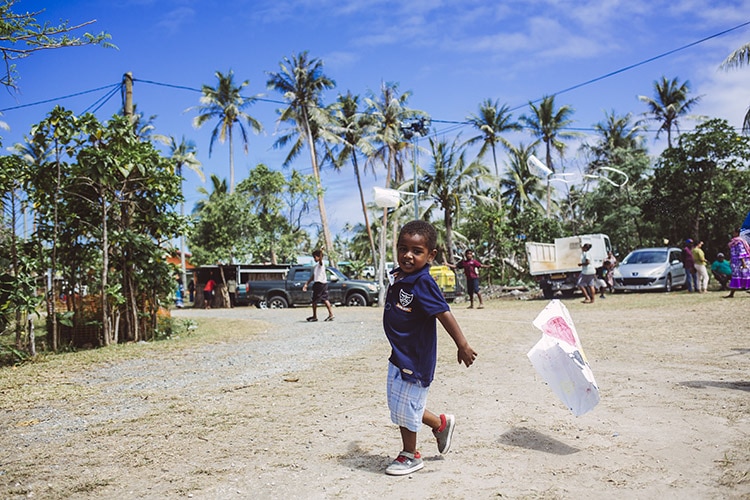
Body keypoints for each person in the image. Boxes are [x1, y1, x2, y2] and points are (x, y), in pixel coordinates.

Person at [383, 220, 477, 476]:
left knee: (405, 406)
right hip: (399, 355)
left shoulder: (423, 282)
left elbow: (443, 313)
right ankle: (440, 424)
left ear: (431, 255)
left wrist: (463, 345)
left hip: (415, 358)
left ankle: (410, 455)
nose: (408, 256)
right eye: (403, 249)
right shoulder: (402, 276)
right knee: (400, 404)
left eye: (416, 251)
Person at [302, 248, 335, 321]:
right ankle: (330, 314)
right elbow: (313, 276)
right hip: (319, 284)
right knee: (324, 299)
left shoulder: (321, 264)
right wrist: (307, 283)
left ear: (319, 257)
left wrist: (321, 251)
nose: (314, 259)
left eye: (315, 257)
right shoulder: (317, 267)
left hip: (320, 284)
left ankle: (315, 316)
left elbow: (320, 259)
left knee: (315, 300)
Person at [724, 228, 750, 298]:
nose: (733, 234)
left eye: (734, 232)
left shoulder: (739, 241)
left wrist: (743, 263)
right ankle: (731, 294)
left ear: (737, 233)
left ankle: (731, 294)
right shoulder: (734, 242)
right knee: (737, 277)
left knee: (743, 276)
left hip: (740, 262)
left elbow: (741, 252)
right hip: (736, 262)